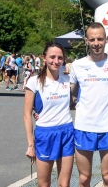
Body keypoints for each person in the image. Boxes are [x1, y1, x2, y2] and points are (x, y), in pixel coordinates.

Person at [70, 22, 108, 187]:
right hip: (83, 128)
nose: (96, 43)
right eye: (92, 39)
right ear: (87, 40)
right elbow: (71, 96)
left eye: (100, 39)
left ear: (106, 39)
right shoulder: (77, 65)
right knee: (83, 179)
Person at [23, 42, 74, 187]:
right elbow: (27, 114)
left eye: (60, 57)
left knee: (64, 184)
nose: (56, 61)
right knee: (44, 184)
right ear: (44, 58)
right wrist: (31, 144)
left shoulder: (68, 78)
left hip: (66, 132)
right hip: (45, 134)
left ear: (64, 59)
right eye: (52, 57)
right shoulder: (34, 82)